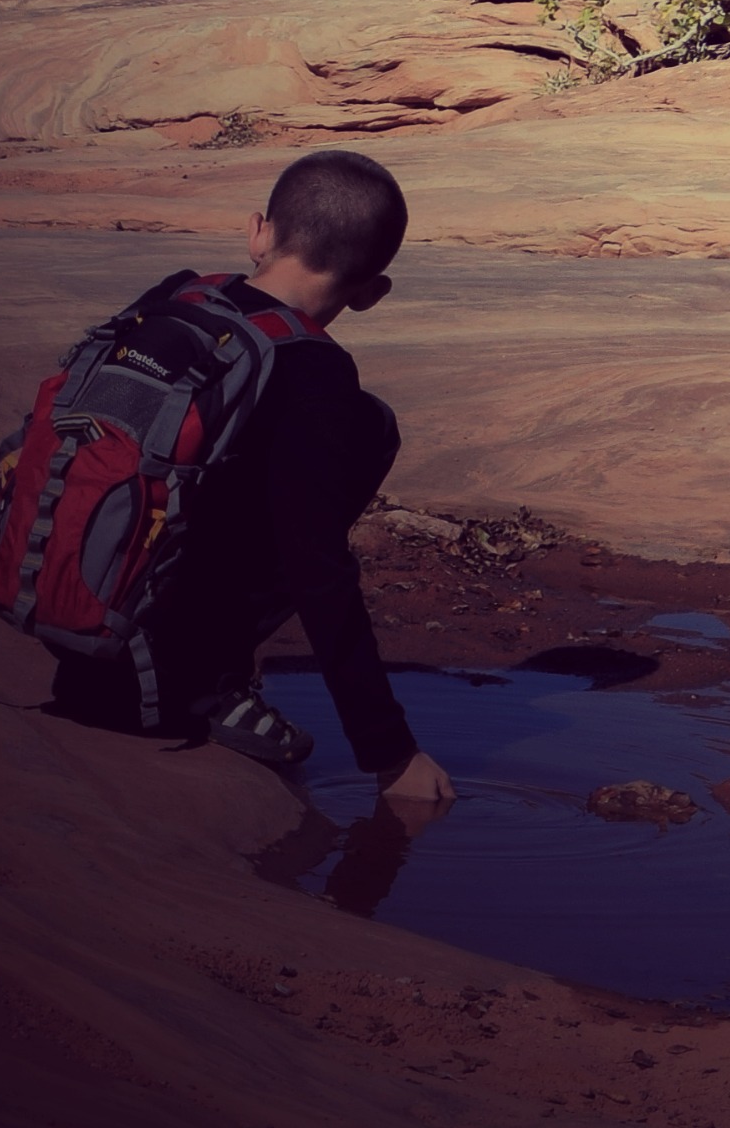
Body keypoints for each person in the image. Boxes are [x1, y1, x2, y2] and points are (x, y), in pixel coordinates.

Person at [47, 146, 453, 819]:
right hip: (149, 676)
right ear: (372, 292)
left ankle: (142, 661)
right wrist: (391, 752)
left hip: (67, 592)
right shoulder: (314, 374)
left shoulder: (177, 297)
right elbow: (317, 570)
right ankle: (204, 684)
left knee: (339, 431)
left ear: (258, 232)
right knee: (369, 429)